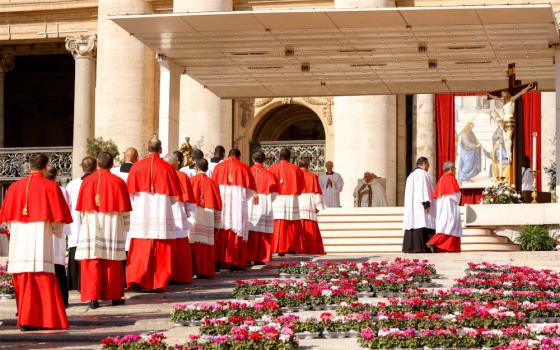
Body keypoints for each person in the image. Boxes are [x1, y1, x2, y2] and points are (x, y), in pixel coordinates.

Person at [0, 153, 72, 330]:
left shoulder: (14, 187)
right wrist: (56, 231)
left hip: (20, 239)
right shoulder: (51, 187)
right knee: (41, 278)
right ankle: (40, 319)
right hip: (39, 238)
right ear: (46, 166)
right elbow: (58, 219)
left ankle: (25, 319)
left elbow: (7, 219)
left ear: (29, 166)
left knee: (23, 279)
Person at [75, 152, 131, 308]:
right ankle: (114, 296)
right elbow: (125, 209)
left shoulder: (86, 182)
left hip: (91, 223)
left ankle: (93, 298)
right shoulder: (118, 181)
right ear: (112, 164)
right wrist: (126, 226)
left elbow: (81, 210)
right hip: (112, 224)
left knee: (93, 261)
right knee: (111, 262)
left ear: (98, 164)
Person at [126, 137, 182, 292]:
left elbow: (129, 195)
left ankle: (136, 279)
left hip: (141, 215)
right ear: (161, 149)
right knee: (161, 248)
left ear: (147, 148)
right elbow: (174, 198)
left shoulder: (136, 167)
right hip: (161, 214)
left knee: (140, 248)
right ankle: (158, 282)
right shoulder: (167, 168)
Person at [212, 148, 256, 271]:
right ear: (239, 156)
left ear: (228, 155)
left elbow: (214, 186)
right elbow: (250, 192)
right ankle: (235, 262)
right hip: (238, 205)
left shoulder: (218, 167)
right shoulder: (244, 167)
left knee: (221, 226)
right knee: (237, 227)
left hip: (222, 204)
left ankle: (218, 260)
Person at [64, 156, 97, 291]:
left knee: (75, 249)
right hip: (91, 224)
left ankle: (75, 283)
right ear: (96, 167)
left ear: (82, 168)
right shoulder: (97, 182)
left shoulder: (72, 184)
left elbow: (66, 204)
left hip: (76, 225)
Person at [188, 158, 222, 278]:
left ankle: (193, 270)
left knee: (192, 242)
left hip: (194, 214)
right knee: (205, 244)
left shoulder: (190, 180)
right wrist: (218, 224)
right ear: (207, 169)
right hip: (208, 214)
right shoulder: (213, 183)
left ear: (196, 168)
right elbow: (218, 204)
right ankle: (205, 270)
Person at [164, 151, 195, 284]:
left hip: (164, 212)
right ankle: (180, 275)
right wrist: (190, 216)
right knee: (180, 247)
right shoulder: (182, 176)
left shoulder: (162, 174)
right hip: (178, 212)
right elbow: (188, 200)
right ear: (175, 163)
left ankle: (167, 275)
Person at [268, 148, 305, 255]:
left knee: (279, 223)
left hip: (277, 198)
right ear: (289, 158)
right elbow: (302, 184)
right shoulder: (295, 168)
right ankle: (291, 247)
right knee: (291, 223)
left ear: (279, 156)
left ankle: (278, 247)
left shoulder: (272, 168)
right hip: (291, 198)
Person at [45, 165, 70, 306]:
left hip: (47, 231)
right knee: (58, 266)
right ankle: (63, 299)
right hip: (58, 231)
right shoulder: (62, 190)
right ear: (56, 177)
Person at [247, 150, 278, 264]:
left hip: (249, 201)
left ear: (252, 159)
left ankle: (248, 256)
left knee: (250, 230)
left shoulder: (247, 172)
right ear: (264, 160)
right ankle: (261, 257)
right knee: (262, 231)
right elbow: (274, 194)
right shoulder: (269, 174)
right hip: (264, 201)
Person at [402, 157, 436, 253]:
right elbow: (423, 189)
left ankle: (411, 247)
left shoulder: (411, 175)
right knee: (422, 222)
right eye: (428, 164)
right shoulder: (422, 174)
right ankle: (423, 247)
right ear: (424, 163)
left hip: (413, 206)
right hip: (420, 206)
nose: (429, 167)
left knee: (414, 223)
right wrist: (426, 203)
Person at [427, 161, 462, 253]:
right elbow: (455, 194)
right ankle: (433, 242)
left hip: (444, 205)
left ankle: (451, 248)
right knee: (451, 225)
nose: (455, 171)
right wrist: (459, 195)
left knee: (448, 226)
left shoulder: (442, 178)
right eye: (454, 169)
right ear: (450, 169)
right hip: (450, 206)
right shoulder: (450, 177)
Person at [298, 158, 326, 255]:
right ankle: (312, 248)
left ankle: (299, 248)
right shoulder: (313, 176)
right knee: (310, 225)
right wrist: (319, 206)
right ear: (308, 165)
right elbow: (316, 192)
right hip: (308, 202)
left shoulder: (295, 175)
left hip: (297, 201)